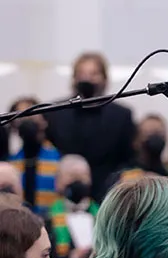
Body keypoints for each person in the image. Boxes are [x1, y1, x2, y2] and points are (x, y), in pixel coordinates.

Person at [46, 52, 137, 201]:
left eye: (93, 74)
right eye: (82, 73)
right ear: (74, 78)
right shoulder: (56, 112)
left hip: (107, 192)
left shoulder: (121, 115)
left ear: (104, 78)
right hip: (62, 196)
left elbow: (127, 158)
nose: (87, 78)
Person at [48, 155, 99, 258]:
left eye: (83, 177)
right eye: (72, 176)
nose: (78, 182)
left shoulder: (102, 216)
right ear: (58, 182)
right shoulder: (48, 219)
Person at [9, 96, 60, 214]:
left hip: (51, 224)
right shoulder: (10, 163)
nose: (27, 119)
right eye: (20, 116)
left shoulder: (58, 160)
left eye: (31, 113)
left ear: (43, 122)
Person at [115, 113, 168, 183]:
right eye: (149, 134)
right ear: (136, 141)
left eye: (160, 134)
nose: (155, 139)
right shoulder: (122, 177)